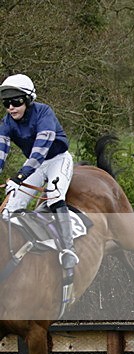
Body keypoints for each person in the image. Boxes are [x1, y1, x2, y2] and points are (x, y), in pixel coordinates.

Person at [0, 74, 78, 269]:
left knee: (54, 196)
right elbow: (1, 151)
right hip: (35, 164)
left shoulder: (44, 113)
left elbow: (40, 150)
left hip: (57, 159)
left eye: (16, 101)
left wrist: (19, 177)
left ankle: (68, 250)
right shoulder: (7, 121)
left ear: (27, 100)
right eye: (6, 103)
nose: (11, 107)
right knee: (11, 207)